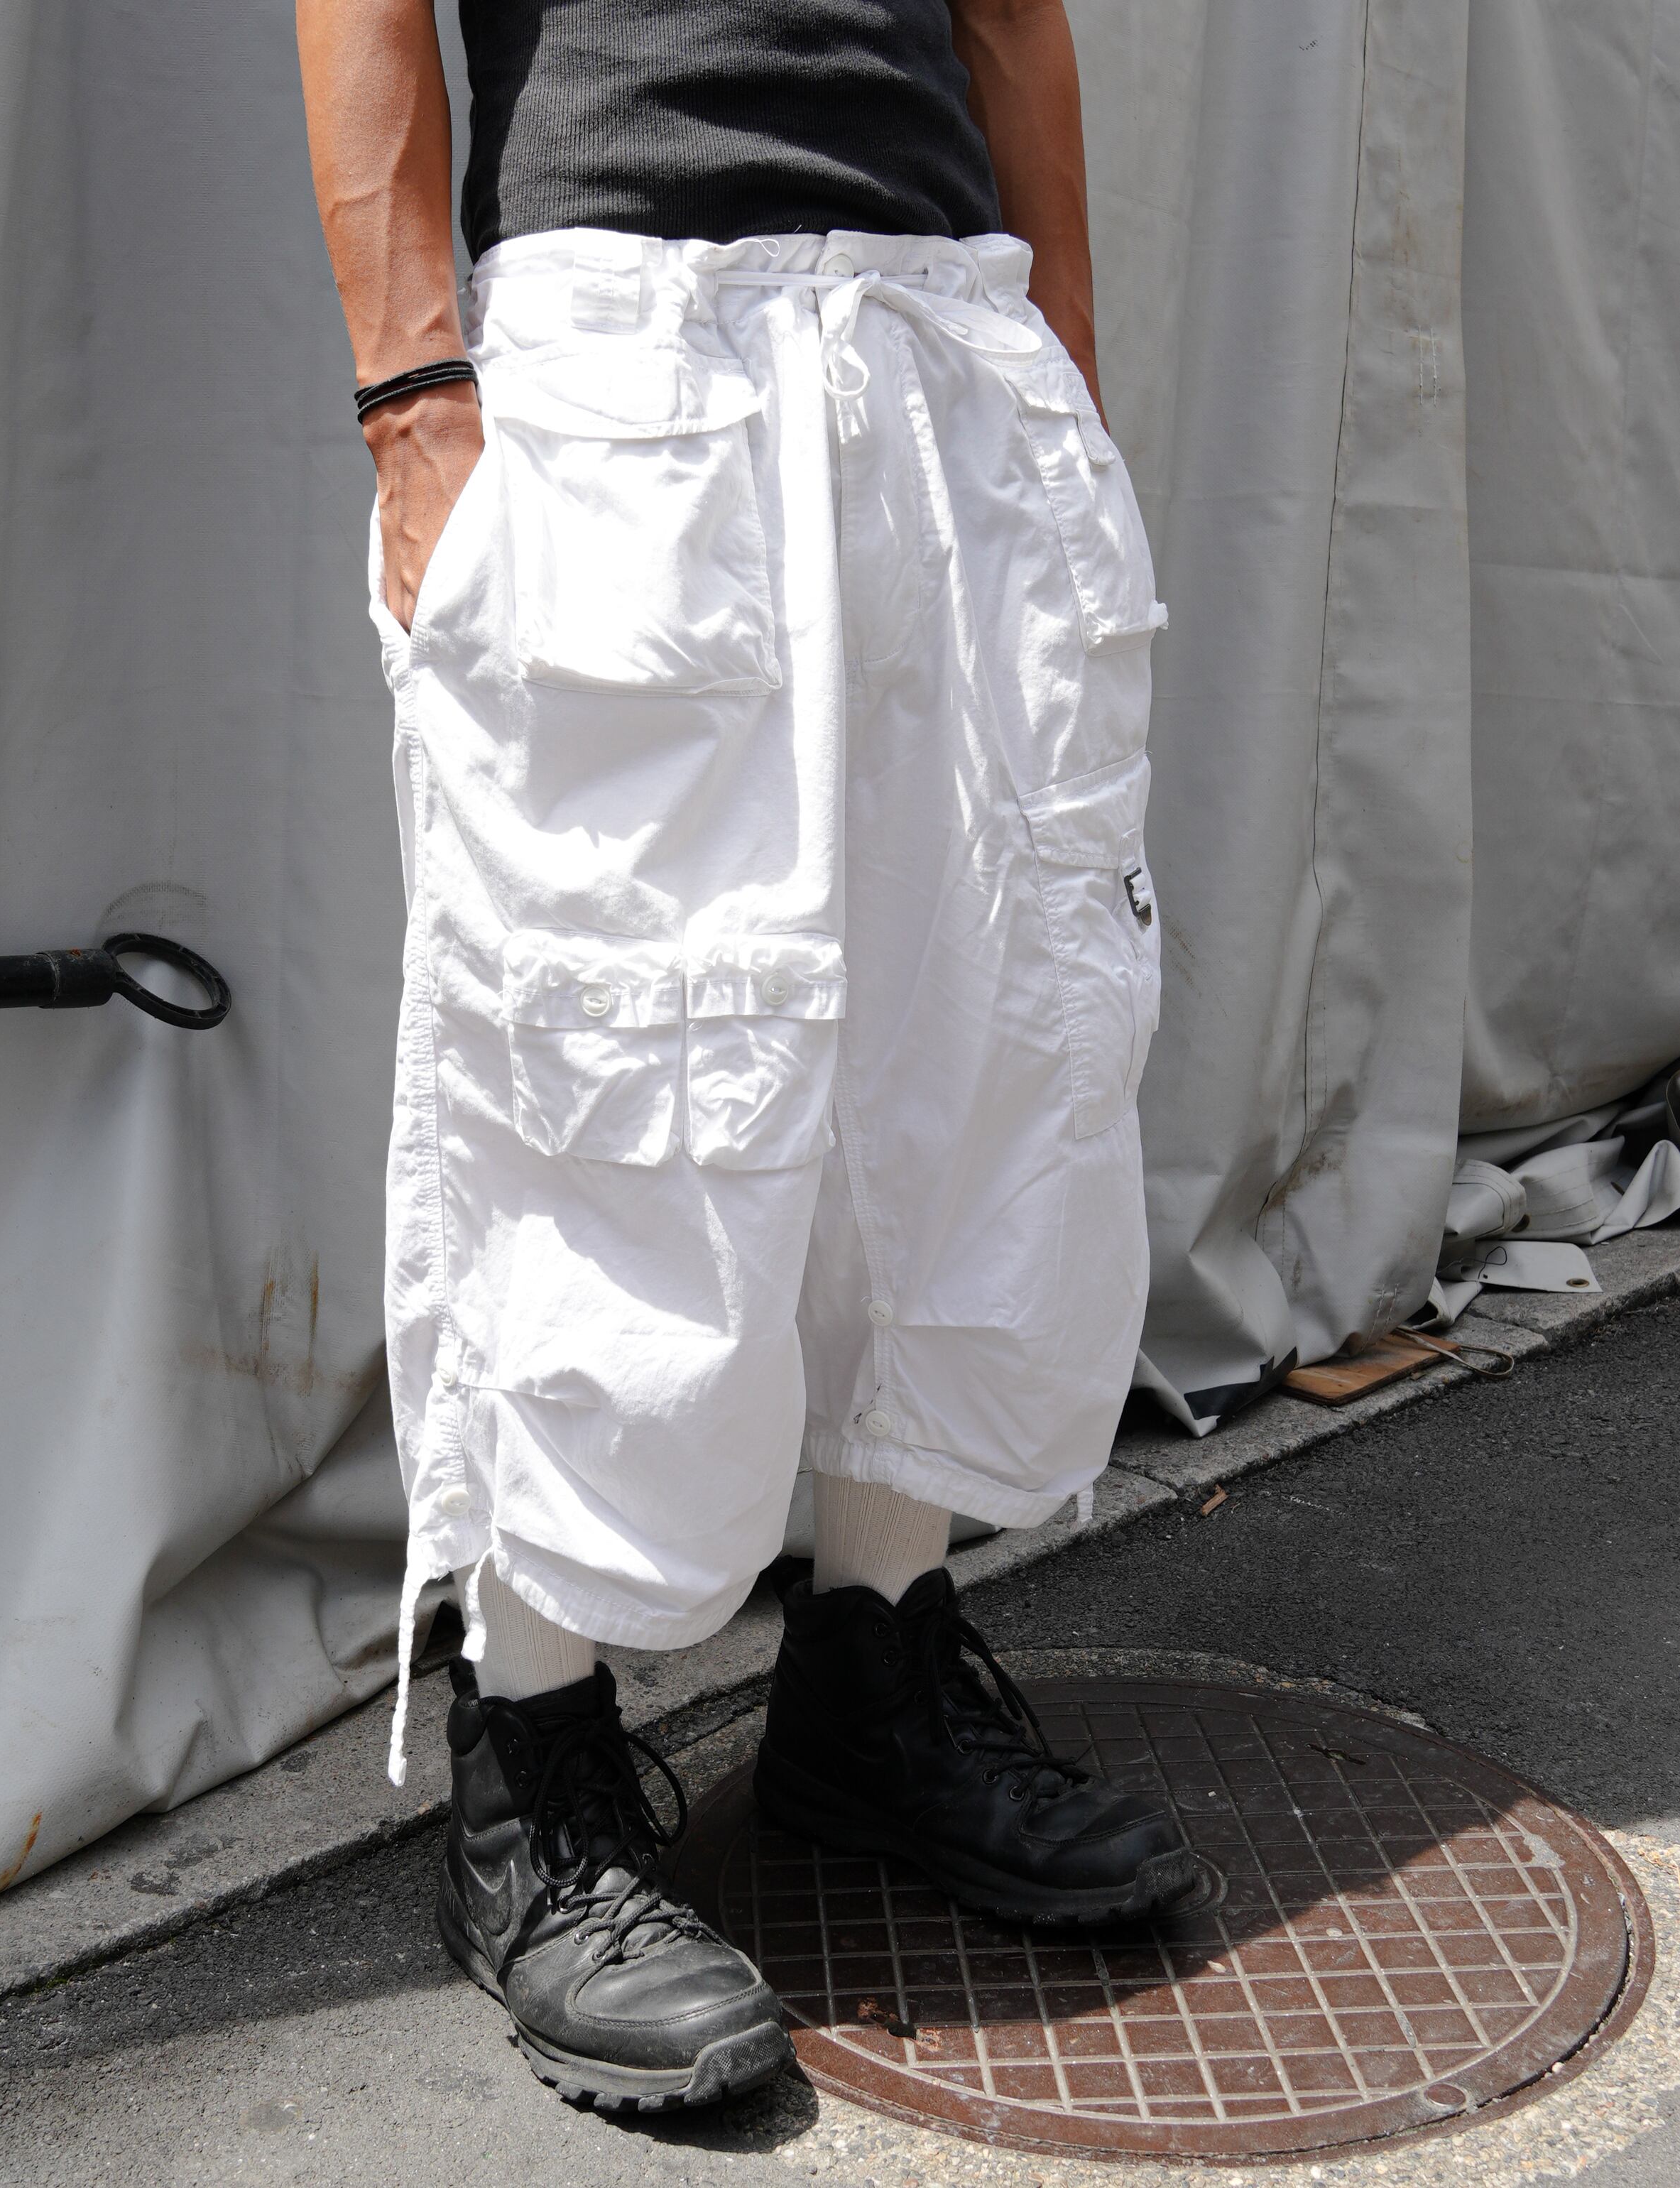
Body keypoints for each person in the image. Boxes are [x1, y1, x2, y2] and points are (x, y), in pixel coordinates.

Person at [296, 0, 1184, 2115]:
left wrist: (1055, 359)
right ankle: (532, 1777)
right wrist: (415, 402)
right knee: (601, 1063)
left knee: (972, 1030)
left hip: (940, 335)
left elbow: (1008, 11)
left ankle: (876, 1679)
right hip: (628, 349)